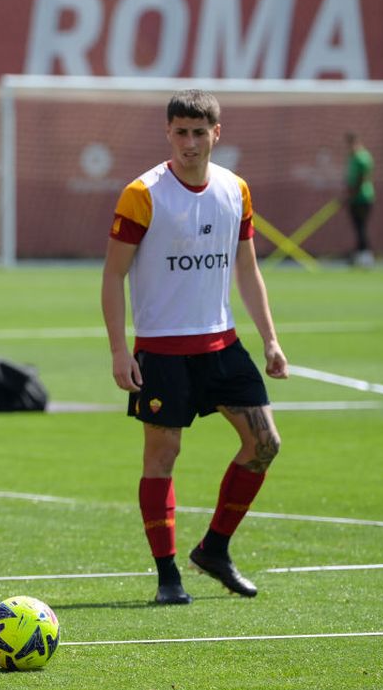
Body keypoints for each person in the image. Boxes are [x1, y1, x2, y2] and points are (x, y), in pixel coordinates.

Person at [101, 89, 288, 605]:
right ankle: (167, 575)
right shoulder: (142, 194)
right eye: (180, 132)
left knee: (265, 444)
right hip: (162, 351)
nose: (189, 142)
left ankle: (214, 550)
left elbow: (247, 269)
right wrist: (120, 351)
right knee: (163, 455)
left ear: (216, 134)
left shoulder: (235, 190)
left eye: (199, 132)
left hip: (222, 346)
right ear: (168, 133)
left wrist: (270, 339)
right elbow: (113, 276)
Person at [342, 132, 375, 268]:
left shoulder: (363, 157)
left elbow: (363, 178)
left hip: (363, 198)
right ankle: (360, 256)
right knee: (357, 227)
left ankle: (366, 257)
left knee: (361, 227)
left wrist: (352, 194)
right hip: (354, 199)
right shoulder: (351, 158)